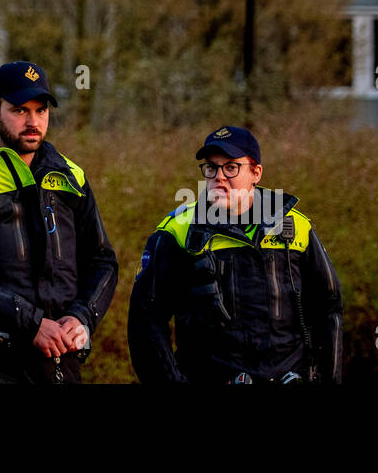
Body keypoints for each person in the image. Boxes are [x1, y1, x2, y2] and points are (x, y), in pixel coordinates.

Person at [0, 61, 118, 384]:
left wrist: (82, 316)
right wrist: (29, 322)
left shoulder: (71, 177)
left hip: (60, 365)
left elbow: (103, 260)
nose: (33, 122)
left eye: (41, 110)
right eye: (19, 110)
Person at [127, 125, 343, 384]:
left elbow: (328, 309)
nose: (219, 176)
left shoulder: (296, 227)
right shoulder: (178, 231)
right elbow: (146, 319)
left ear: (256, 173)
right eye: (211, 167)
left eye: (231, 167)